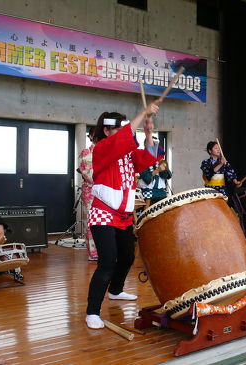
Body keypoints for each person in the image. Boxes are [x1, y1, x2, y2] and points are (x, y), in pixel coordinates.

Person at [85, 102, 162, 330]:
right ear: (107, 131)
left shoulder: (127, 155)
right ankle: (92, 311)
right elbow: (122, 140)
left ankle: (116, 290)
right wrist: (143, 112)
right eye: (119, 129)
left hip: (123, 215)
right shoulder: (101, 149)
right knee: (107, 262)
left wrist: (148, 134)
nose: (123, 133)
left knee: (127, 256)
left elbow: (147, 159)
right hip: (103, 214)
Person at [78, 127, 98, 261]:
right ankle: (93, 252)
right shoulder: (86, 152)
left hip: (106, 191)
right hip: (91, 190)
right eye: (94, 135)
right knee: (91, 221)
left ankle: (106, 250)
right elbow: (88, 174)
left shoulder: (109, 151)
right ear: (90, 136)